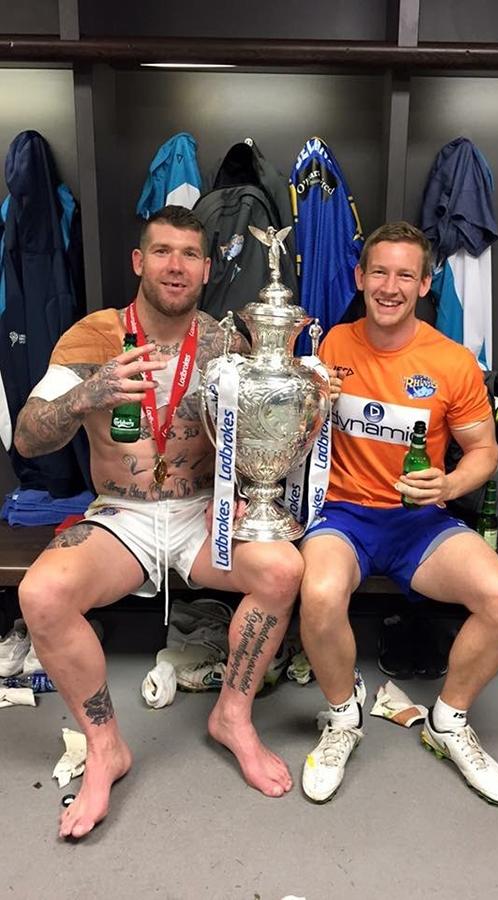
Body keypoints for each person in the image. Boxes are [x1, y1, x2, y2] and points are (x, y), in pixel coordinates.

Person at [14, 205, 305, 839]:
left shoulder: (230, 340)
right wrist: (86, 395)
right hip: (123, 514)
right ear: (139, 262)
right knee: (42, 593)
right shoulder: (91, 336)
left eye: (191, 255)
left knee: (282, 570)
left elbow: (274, 428)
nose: (177, 266)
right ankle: (105, 746)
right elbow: (27, 439)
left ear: (207, 269)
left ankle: (233, 716)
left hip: (204, 512)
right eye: (163, 252)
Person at [299, 221, 498, 806]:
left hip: (418, 522)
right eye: (379, 271)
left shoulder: (452, 362)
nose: (390, 286)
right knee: (319, 593)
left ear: (426, 283)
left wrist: (447, 481)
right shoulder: (331, 347)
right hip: (344, 515)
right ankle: (343, 718)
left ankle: (447, 722)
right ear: (360, 277)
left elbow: (486, 453)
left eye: (405, 274)